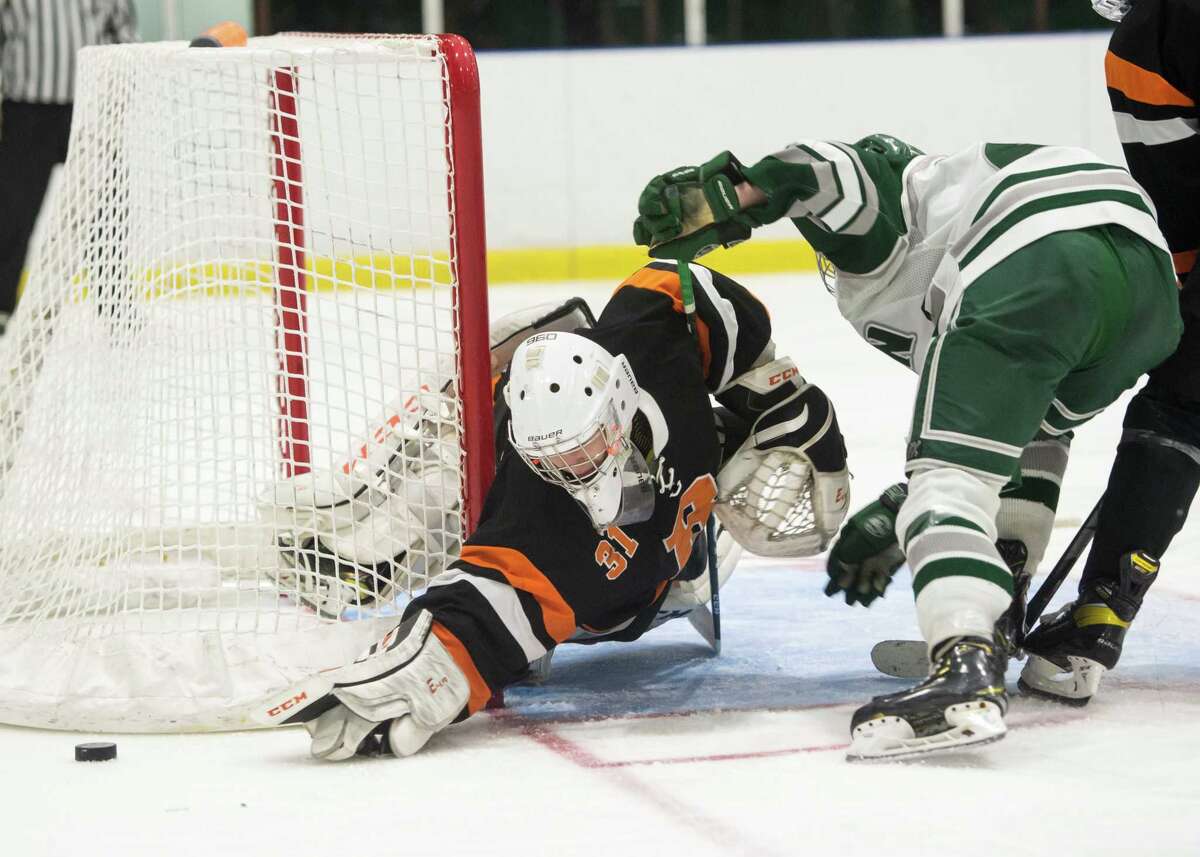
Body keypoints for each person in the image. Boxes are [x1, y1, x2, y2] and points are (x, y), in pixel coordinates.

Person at [631, 133, 1181, 759]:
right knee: (1011, 452)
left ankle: (963, 669)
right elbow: (1029, 441)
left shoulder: (900, 200)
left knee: (943, 487)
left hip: (1033, 252)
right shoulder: (952, 206)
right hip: (1148, 294)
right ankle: (996, 618)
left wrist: (719, 199)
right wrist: (902, 506)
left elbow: (819, 168)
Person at [257, 266, 850, 760]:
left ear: (618, 406)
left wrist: (772, 381)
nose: (573, 471)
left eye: (583, 450)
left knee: (542, 332)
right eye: (555, 459)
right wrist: (770, 381)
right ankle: (388, 510)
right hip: (642, 561)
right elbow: (675, 283)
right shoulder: (561, 495)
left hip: (637, 589)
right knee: (545, 344)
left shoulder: (580, 542)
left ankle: (380, 517)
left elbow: (683, 285)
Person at [1016, 0, 1200, 706]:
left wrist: (1179, 304)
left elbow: (1180, 200)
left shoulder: (1151, 36)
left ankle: (1099, 615)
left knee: (1182, 404)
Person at [0, 0, 136, 336]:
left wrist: (121, 90)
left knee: (107, 208)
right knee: (13, 210)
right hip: (27, 106)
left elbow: (123, 30)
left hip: (91, 103)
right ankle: (1, 305)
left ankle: (116, 308)